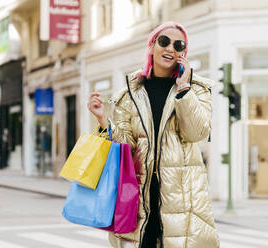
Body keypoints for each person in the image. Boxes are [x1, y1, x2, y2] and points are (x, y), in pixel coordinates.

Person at [88, 21, 219, 248]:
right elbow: (125, 148)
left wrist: (184, 89)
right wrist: (102, 120)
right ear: (151, 46)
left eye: (179, 45)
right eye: (164, 41)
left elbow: (197, 132)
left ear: (183, 54)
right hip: (139, 200)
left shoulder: (196, 90)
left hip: (183, 201)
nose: (170, 49)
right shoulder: (128, 95)